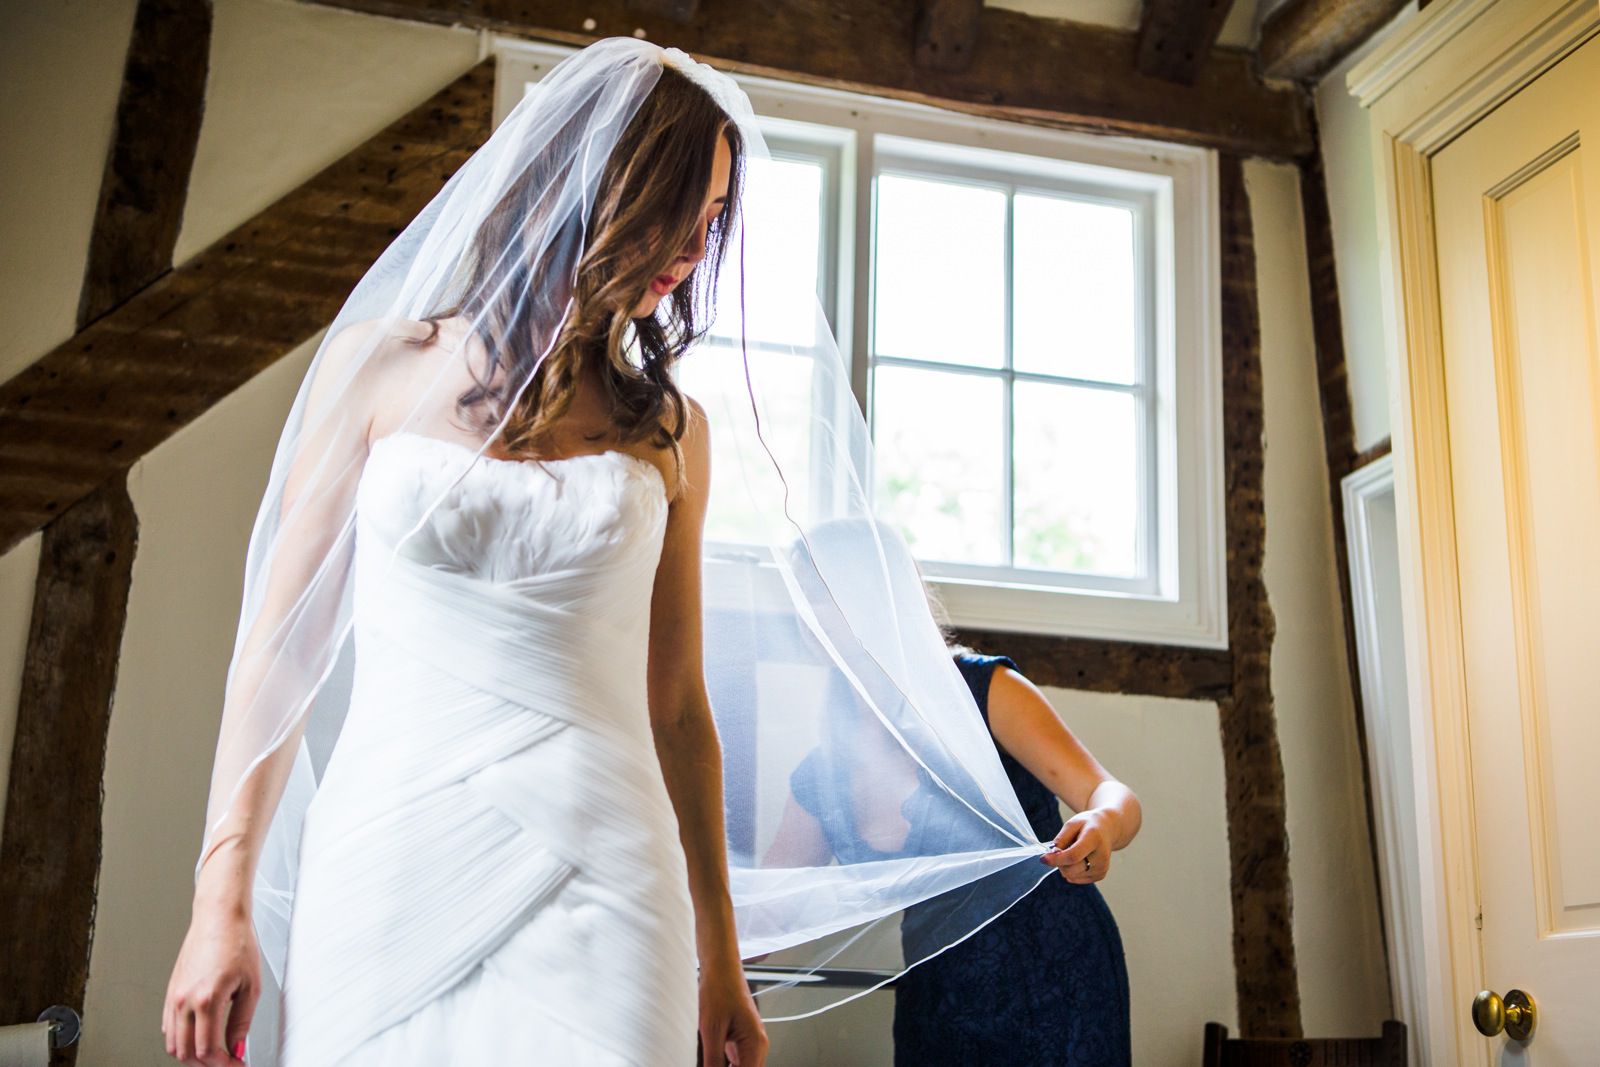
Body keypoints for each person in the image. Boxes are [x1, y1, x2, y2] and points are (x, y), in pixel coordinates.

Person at [163, 43, 765, 1067]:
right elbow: (279, 648)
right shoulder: (376, 367)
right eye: (682, 210)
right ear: (603, 185)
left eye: (715, 222)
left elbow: (677, 706)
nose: (696, 254)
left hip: (607, 872)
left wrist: (723, 952)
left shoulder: (670, 430)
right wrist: (219, 900)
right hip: (390, 855)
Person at [769, 544, 1140, 1065]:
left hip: (1055, 979)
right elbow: (772, 902)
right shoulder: (823, 772)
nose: (806, 611)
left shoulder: (987, 692)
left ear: (883, 597)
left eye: (822, 593)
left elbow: (1111, 794)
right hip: (938, 1000)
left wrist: (1101, 822)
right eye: (801, 596)